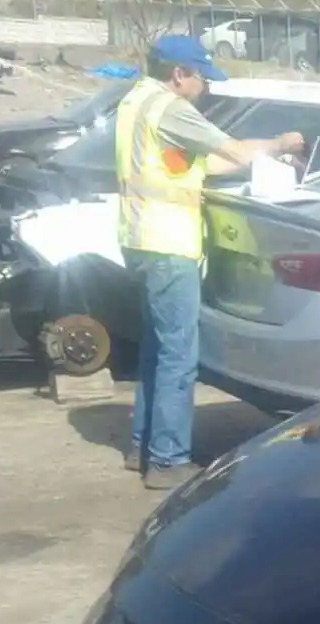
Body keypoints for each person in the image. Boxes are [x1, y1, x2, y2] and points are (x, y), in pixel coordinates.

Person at [116, 33, 305, 490]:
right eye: (201, 77)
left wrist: (252, 161)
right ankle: (168, 461)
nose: (205, 87)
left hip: (139, 241)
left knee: (156, 352)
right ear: (178, 74)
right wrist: (282, 142)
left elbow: (201, 166)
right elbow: (234, 150)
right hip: (168, 246)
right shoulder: (172, 109)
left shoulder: (136, 101)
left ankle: (142, 446)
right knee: (179, 355)